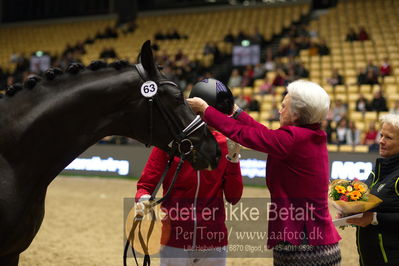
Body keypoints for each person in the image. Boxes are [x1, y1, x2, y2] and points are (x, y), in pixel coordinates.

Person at [188, 80, 341, 266]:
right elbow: (265, 134)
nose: (279, 110)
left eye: (284, 106)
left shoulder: (292, 140)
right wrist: (236, 112)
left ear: (295, 114)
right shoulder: (308, 136)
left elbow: (244, 135)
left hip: (303, 245)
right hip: (318, 242)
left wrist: (206, 110)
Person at [135, 79, 243, 266]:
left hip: (213, 244)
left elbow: (233, 197)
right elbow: (145, 186)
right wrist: (144, 200)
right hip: (174, 242)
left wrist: (234, 161)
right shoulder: (169, 143)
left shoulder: (226, 144)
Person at [347, 114, 399, 265]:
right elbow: (365, 204)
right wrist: (351, 211)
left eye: (388, 138)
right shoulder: (377, 169)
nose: (381, 141)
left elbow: (373, 216)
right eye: (381, 135)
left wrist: (375, 218)